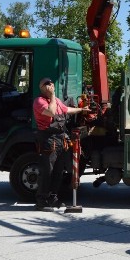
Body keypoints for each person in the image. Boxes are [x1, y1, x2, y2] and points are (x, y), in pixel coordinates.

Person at [32, 77, 89, 210]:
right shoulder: (39, 101)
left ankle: (53, 198)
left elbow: (66, 109)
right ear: (41, 88)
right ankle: (41, 200)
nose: (50, 85)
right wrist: (52, 96)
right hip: (48, 139)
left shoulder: (56, 101)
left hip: (60, 138)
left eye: (51, 83)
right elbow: (51, 112)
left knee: (59, 170)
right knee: (47, 170)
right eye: (46, 84)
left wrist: (81, 110)